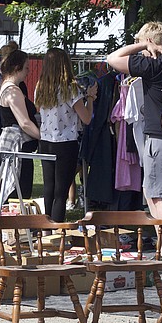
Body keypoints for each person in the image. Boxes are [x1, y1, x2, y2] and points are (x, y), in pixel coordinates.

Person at [106, 21, 162, 258]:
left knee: (158, 194)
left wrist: (142, 45)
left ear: (150, 42)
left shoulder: (150, 64)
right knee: (152, 190)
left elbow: (112, 59)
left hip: (158, 137)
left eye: (141, 42)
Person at [33, 48, 95, 221]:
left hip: (45, 141)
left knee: (49, 188)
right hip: (66, 142)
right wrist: (90, 98)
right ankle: (56, 228)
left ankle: (45, 229)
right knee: (61, 192)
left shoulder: (40, 87)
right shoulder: (71, 89)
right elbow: (87, 118)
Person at [0, 50, 41, 200]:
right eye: (26, 67)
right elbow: (25, 123)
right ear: (17, 68)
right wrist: (45, 137)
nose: (28, 71)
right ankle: (15, 222)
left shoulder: (9, 88)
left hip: (19, 147)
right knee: (18, 192)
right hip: (17, 147)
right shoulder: (12, 91)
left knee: (18, 191)